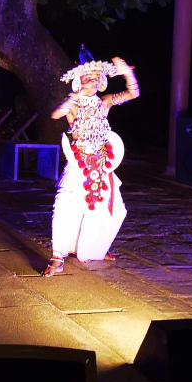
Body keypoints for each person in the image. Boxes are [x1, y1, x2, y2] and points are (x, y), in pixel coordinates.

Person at [43, 55, 139, 276]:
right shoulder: (73, 104)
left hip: (102, 167)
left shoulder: (104, 102)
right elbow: (56, 114)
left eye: (97, 77)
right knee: (64, 206)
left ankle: (96, 248)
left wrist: (127, 73)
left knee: (113, 211)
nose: (94, 80)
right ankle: (57, 256)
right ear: (79, 80)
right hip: (79, 165)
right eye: (89, 77)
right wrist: (77, 95)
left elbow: (133, 93)